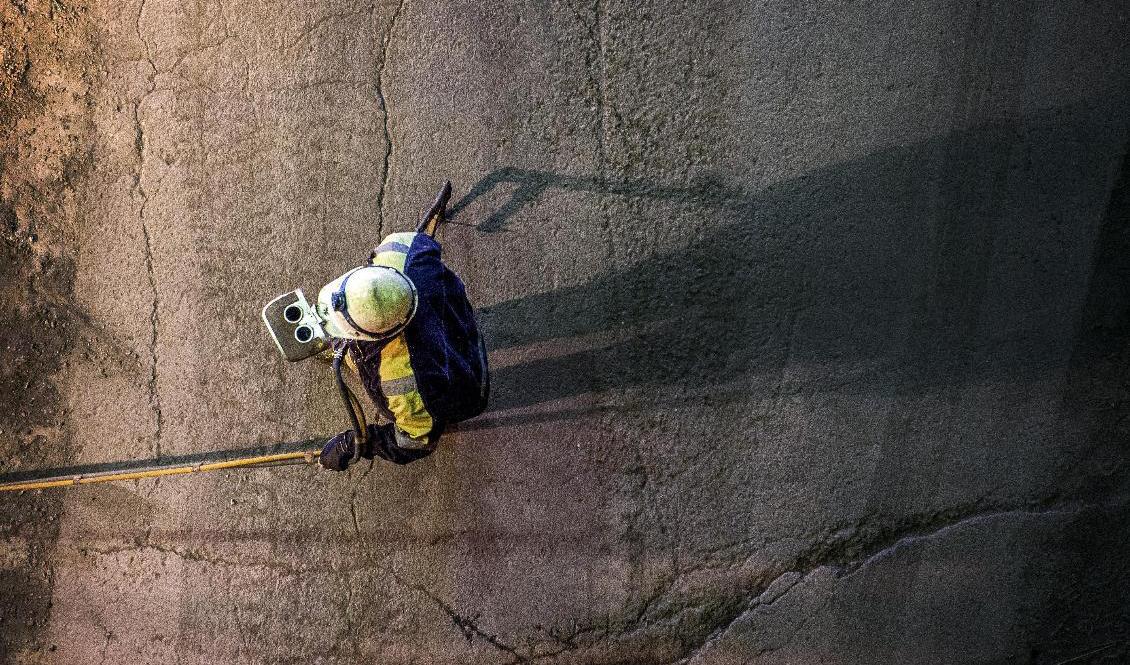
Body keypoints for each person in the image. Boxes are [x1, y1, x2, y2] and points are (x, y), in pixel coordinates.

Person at [318, 181, 489, 470]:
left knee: (421, 411)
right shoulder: (400, 250)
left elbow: (415, 441)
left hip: (467, 385)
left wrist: (360, 442)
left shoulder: (401, 381)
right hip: (457, 321)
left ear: (377, 335)